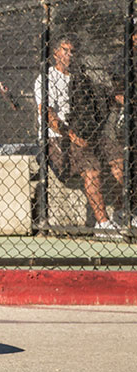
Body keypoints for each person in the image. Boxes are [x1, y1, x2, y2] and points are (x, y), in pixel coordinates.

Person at [34, 33, 124, 231]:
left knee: (120, 160)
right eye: (65, 51)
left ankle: (121, 214)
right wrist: (71, 135)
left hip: (89, 133)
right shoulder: (46, 78)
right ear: (56, 53)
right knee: (91, 168)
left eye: (73, 52)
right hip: (59, 138)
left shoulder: (83, 78)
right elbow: (48, 115)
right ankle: (103, 224)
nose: (70, 55)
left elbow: (104, 98)